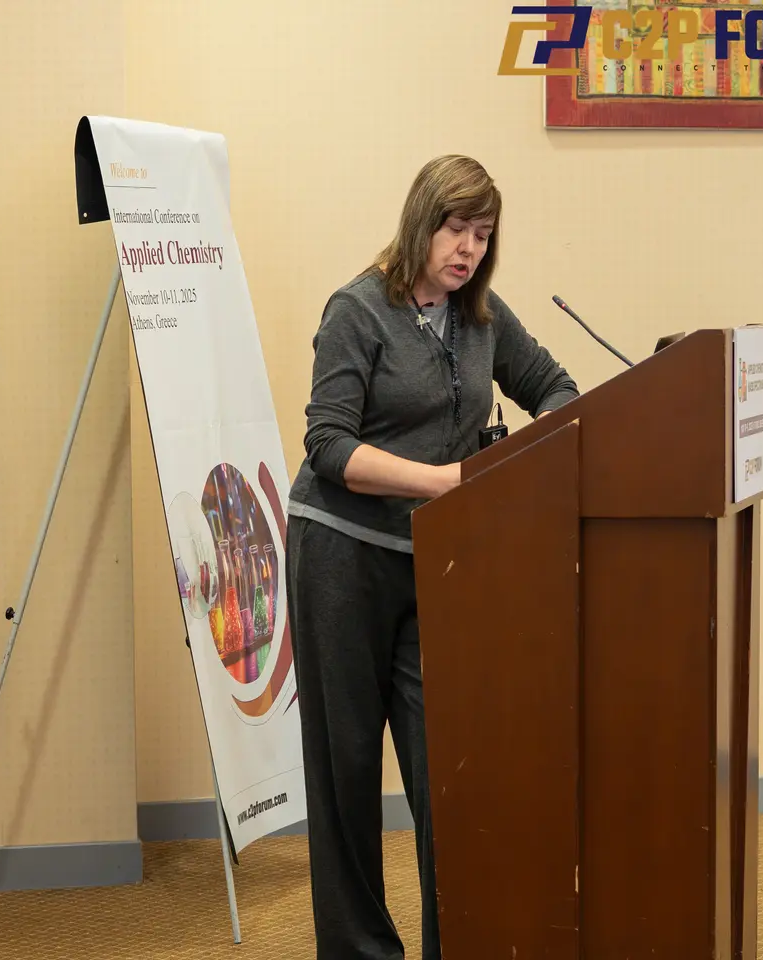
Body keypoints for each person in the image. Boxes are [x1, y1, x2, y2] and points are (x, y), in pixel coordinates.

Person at [285, 155, 579, 959]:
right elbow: (329, 446)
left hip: (435, 565)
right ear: (422, 221)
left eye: (483, 235)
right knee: (345, 773)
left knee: (448, 769)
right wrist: (453, 480)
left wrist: (519, 456)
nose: (468, 250)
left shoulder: (481, 316)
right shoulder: (357, 310)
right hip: (340, 559)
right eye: (456, 229)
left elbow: (555, 387)